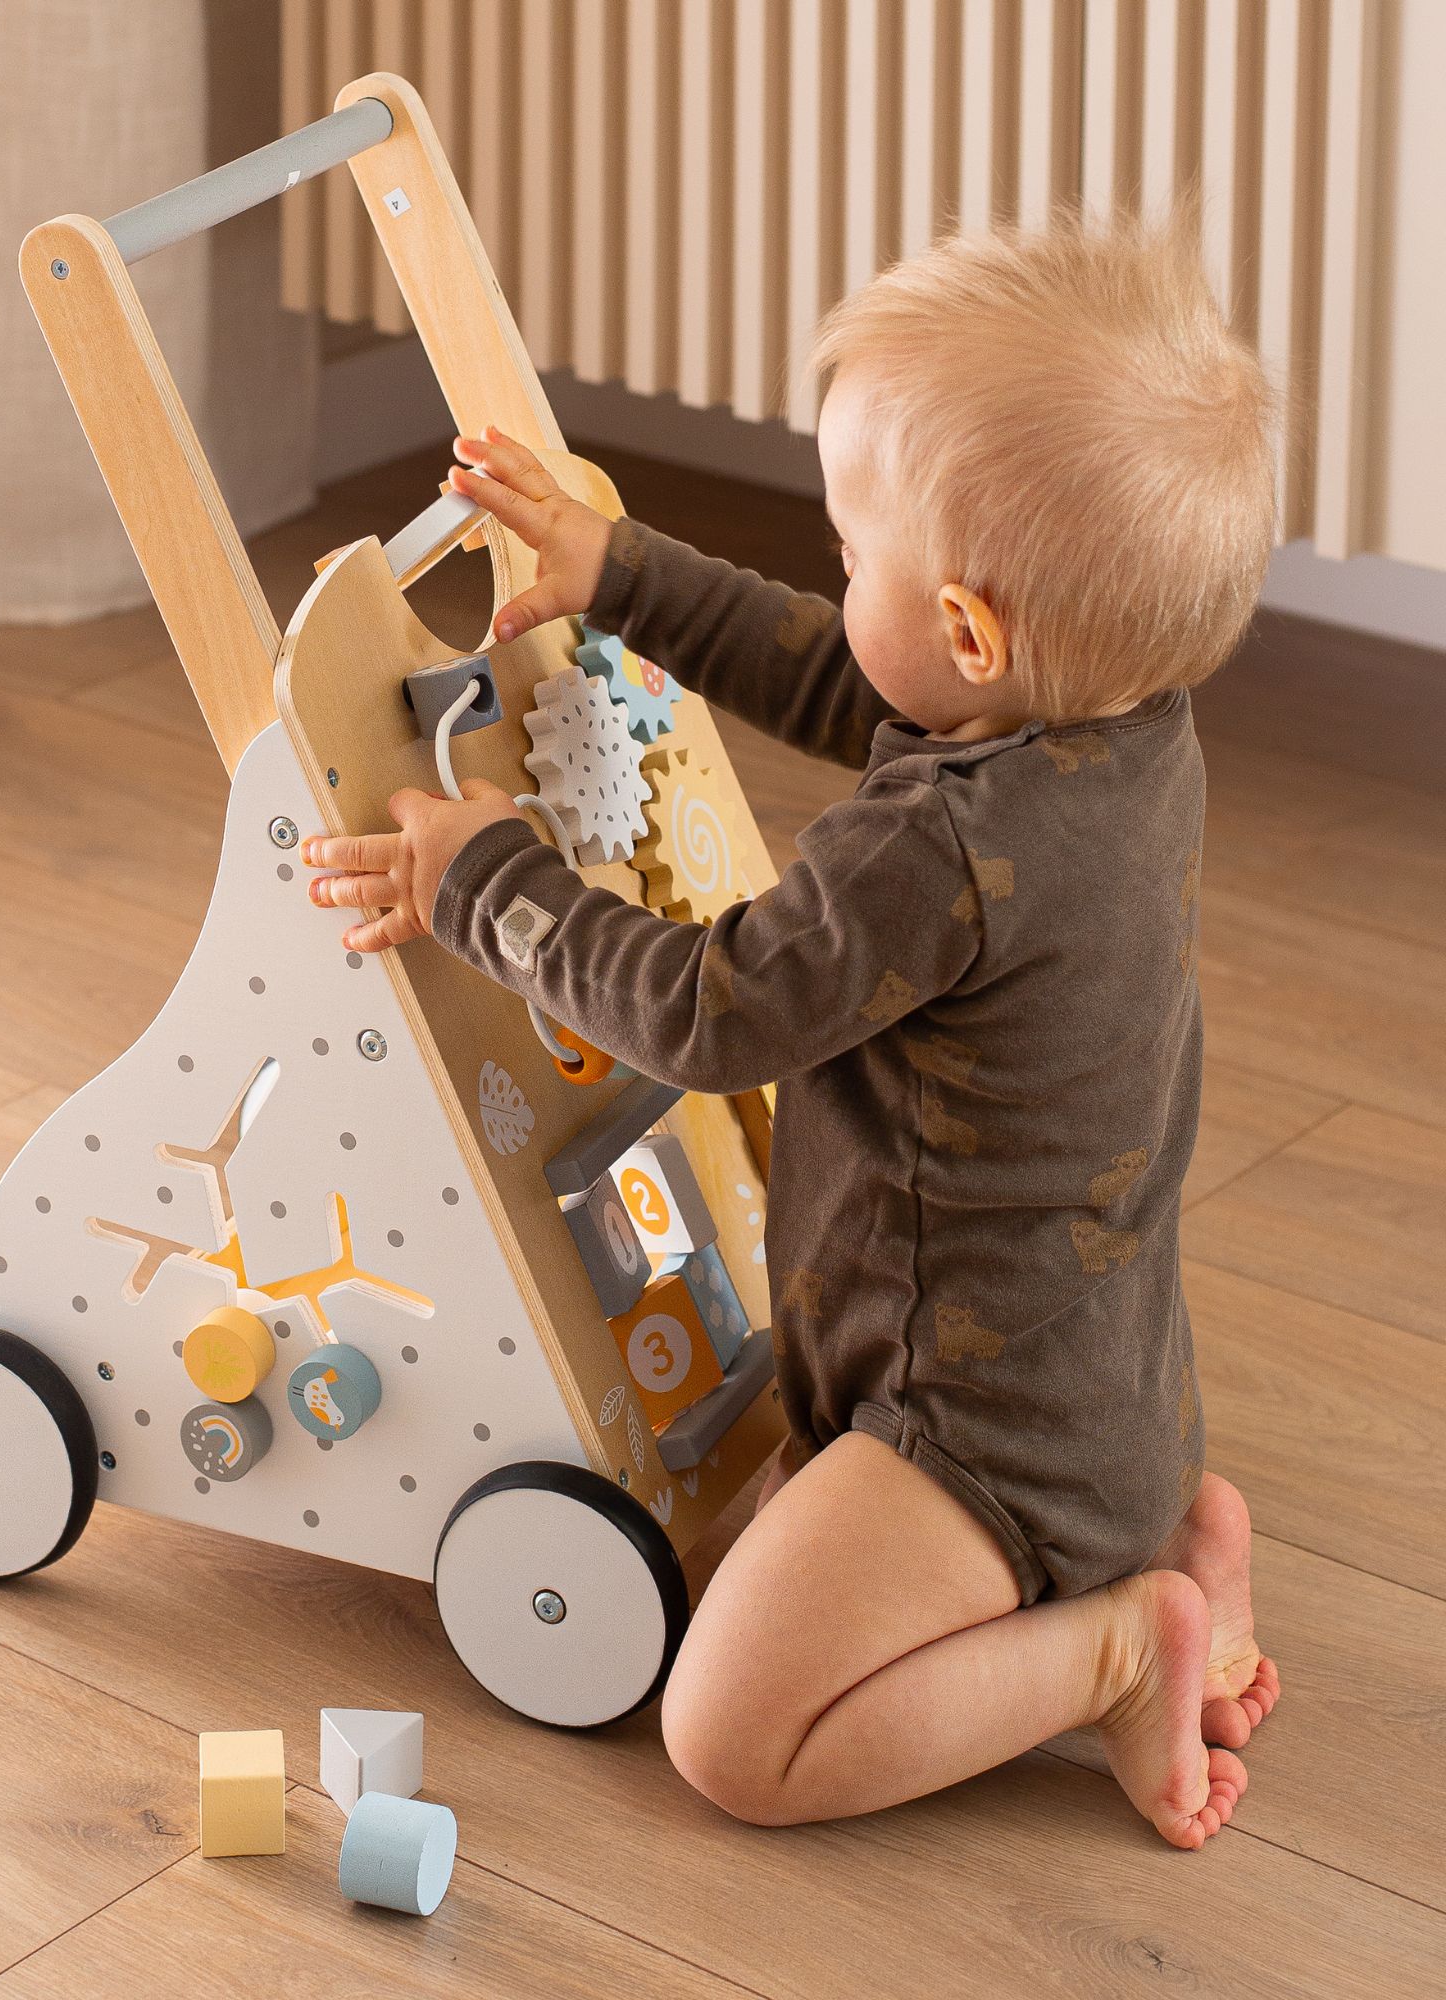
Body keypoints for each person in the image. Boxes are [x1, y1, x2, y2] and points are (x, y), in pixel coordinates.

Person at [302, 221, 1281, 1847]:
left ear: (969, 633)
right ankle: (1173, 1544)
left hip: (962, 1434)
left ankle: (1117, 1645)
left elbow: (703, 1012)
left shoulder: (938, 851)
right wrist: (623, 573)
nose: (834, 580)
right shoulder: (1124, 733)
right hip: (1110, 1383)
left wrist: (488, 884)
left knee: (733, 1737)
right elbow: (862, 679)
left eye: (847, 550)